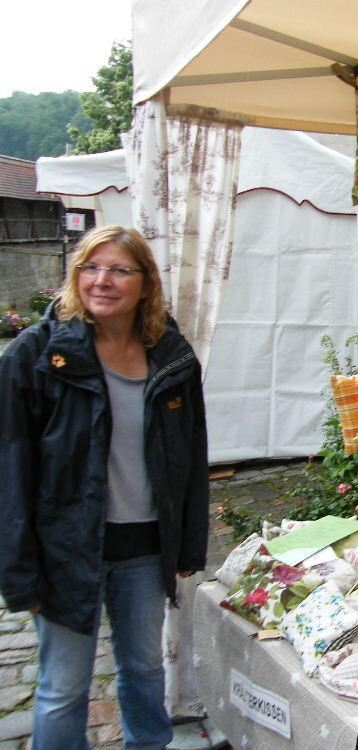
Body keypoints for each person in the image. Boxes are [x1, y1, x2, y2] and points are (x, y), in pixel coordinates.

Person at [0, 226, 209, 750]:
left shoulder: (172, 355)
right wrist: (19, 571)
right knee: (63, 688)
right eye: (90, 268)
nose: (102, 281)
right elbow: (10, 469)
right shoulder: (35, 355)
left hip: (144, 547)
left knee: (144, 670)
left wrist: (189, 544)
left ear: (146, 283)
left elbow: (190, 455)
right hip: (64, 549)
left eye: (119, 270)